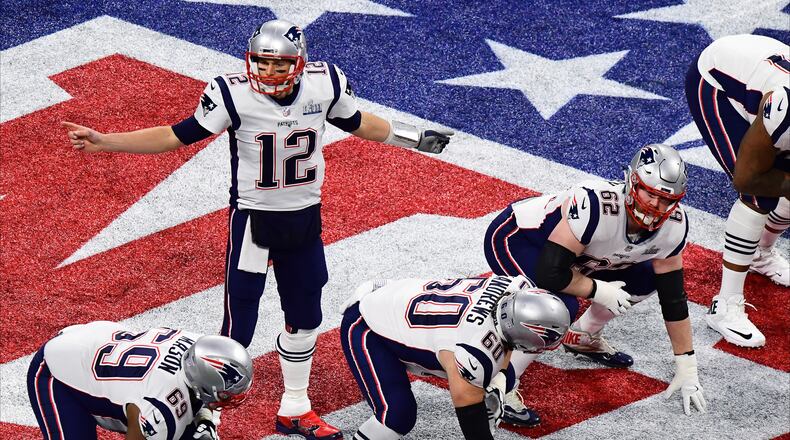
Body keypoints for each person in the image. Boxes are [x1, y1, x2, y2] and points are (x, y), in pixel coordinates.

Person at [62, 19, 452, 438]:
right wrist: (107, 141)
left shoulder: (326, 84)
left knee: (305, 316)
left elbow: (359, 123)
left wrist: (412, 137)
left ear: (299, 63)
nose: (267, 72)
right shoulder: (232, 93)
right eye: (261, 63)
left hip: (304, 220)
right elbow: (176, 136)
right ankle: (208, 418)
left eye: (278, 64)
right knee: (238, 326)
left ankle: (295, 407)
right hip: (253, 221)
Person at [484, 144, 706, 423]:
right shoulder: (597, 204)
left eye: (666, 199)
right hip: (521, 241)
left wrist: (687, 364)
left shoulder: (674, 225)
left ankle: (584, 335)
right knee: (556, 307)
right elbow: (550, 273)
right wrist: (599, 290)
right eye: (651, 194)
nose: (656, 207)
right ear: (632, 182)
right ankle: (501, 384)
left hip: (581, 259)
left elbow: (674, 298)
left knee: (649, 277)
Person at [339, 275, 571, 440]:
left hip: (404, 297)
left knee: (505, 377)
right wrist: (482, 408)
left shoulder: (516, 286)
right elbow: (471, 424)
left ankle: (493, 394)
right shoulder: (474, 352)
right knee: (397, 416)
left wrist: (498, 383)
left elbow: (507, 334)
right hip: (368, 324)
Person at [684, 33, 789, 348]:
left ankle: (761, 254)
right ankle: (725, 305)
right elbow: (746, 179)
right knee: (760, 194)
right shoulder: (785, 108)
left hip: (758, 74)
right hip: (717, 82)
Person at [27, 320, 253, 440]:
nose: (229, 398)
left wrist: (204, 419)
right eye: (225, 393)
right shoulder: (161, 408)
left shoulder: (196, 345)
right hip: (58, 371)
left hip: (98, 340)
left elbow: (197, 394)